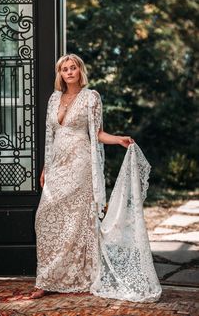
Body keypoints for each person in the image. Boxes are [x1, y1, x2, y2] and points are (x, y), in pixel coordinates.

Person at [31, 54, 162, 302]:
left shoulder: (91, 97)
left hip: (80, 164)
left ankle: (80, 277)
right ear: (60, 74)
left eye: (73, 68)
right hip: (58, 165)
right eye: (64, 69)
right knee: (45, 217)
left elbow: (97, 133)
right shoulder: (54, 98)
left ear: (80, 71)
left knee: (77, 221)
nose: (69, 72)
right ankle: (48, 278)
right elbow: (49, 137)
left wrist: (119, 139)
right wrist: (46, 168)